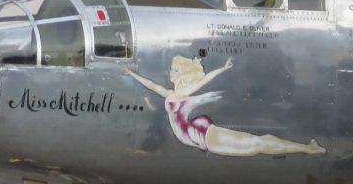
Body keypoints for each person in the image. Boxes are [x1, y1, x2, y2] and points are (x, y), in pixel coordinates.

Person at [126, 56, 326, 156]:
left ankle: (307, 149)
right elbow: (151, 85)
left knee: (257, 144)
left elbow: (205, 80)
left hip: (201, 134)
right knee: (257, 143)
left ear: (181, 74)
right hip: (195, 135)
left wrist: (223, 68)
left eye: (174, 70)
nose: (170, 73)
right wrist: (131, 73)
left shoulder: (185, 92)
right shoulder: (172, 94)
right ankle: (306, 148)